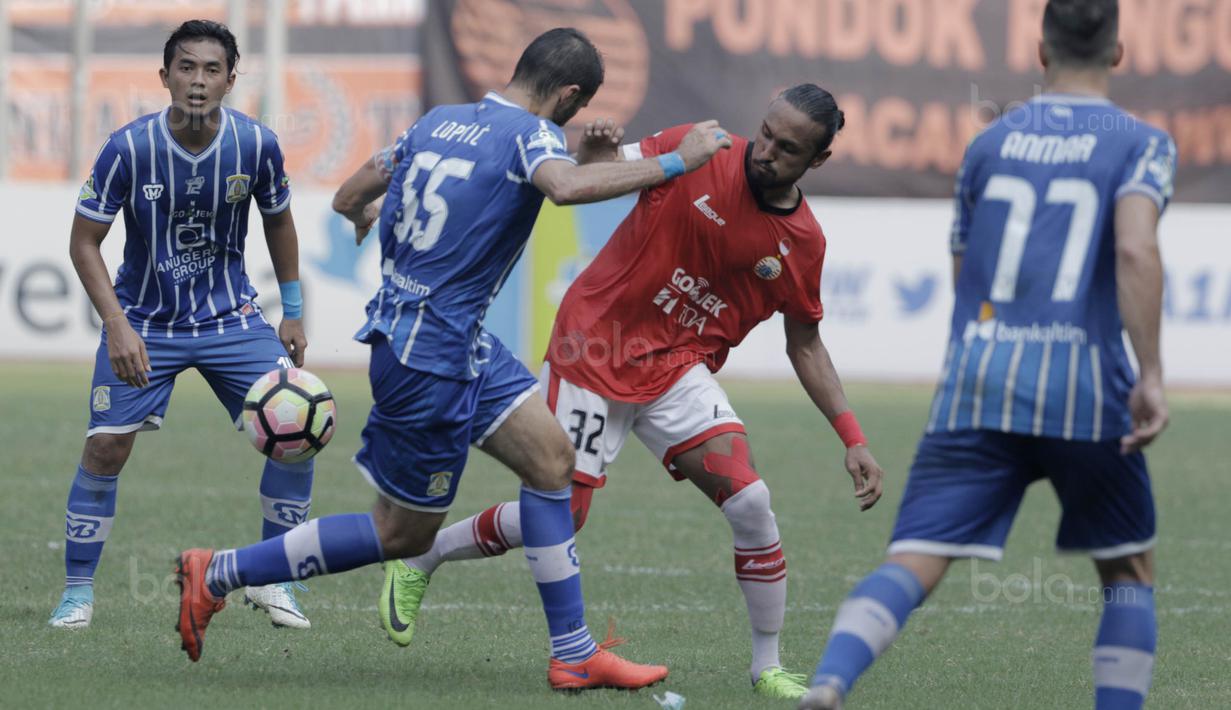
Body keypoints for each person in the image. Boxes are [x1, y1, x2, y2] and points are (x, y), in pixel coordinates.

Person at [173, 28, 732, 690]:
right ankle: (218, 572)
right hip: (428, 358)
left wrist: (378, 216)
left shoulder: (437, 123)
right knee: (401, 534)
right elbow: (564, 188)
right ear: (569, 95)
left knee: (554, 462)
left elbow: (350, 196)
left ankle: (574, 653)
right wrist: (679, 160)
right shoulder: (533, 136)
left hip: (454, 340)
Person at [378, 83, 887, 701]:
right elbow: (595, 176)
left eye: (788, 149)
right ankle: (422, 557)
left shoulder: (803, 243)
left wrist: (852, 437)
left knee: (751, 502)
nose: (766, 153)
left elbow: (804, 344)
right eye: (767, 134)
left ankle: (767, 667)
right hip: (596, 344)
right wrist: (597, 152)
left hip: (676, 368)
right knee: (562, 515)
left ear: (818, 160)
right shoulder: (696, 150)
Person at [799, 1, 1175, 708]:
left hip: (979, 381)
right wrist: (1150, 373)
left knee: (914, 558)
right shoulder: (1139, 144)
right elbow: (1133, 248)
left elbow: (961, 267)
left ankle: (829, 681)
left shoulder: (988, 144)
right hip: (1084, 388)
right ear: (1119, 52)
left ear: (1039, 51)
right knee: (1127, 570)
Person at [51, 20, 315, 631]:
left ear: (230, 78)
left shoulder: (256, 145)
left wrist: (293, 307)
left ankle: (275, 580)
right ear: (165, 75)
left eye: (211, 69)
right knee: (106, 447)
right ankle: (76, 592)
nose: (198, 81)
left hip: (232, 318)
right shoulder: (127, 147)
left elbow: (279, 221)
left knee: (297, 428)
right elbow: (84, 242)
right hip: (146, 321)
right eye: (187, 68)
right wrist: (116, 323)